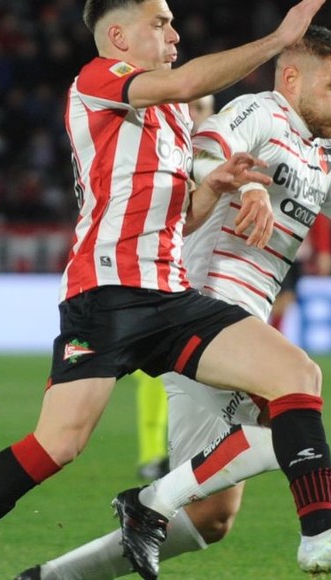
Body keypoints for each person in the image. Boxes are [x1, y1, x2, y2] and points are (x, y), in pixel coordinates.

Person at [0, 0, 331, 577]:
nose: (174, 33)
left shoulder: (172, 118)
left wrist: (215, 187)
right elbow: (186, 81)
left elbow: (181, 221)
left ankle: (320, 534)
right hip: (104, 295)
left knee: (294, 374)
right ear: (120, 37)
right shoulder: (98, 79)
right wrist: (278, 40)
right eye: (161, 23)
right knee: (58, 444)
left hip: (171, 295)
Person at [15, 25, 331, 580]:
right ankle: (319, 532)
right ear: (292, 79)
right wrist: (249, 186)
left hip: (242, 322)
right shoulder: (262, 113)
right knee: (297, 396)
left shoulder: (329, 155)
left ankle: (54, 576)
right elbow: (204, 146)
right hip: (202, 308)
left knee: (213, 516)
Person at [134, 94, 217, 482]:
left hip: (208, 286)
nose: (193, 113)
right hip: (159, 280)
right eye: (189, 105)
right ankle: (154, 455)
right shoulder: (160, 152)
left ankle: (198, 455)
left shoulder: (223, 160)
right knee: (154, 375)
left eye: (201, 107)